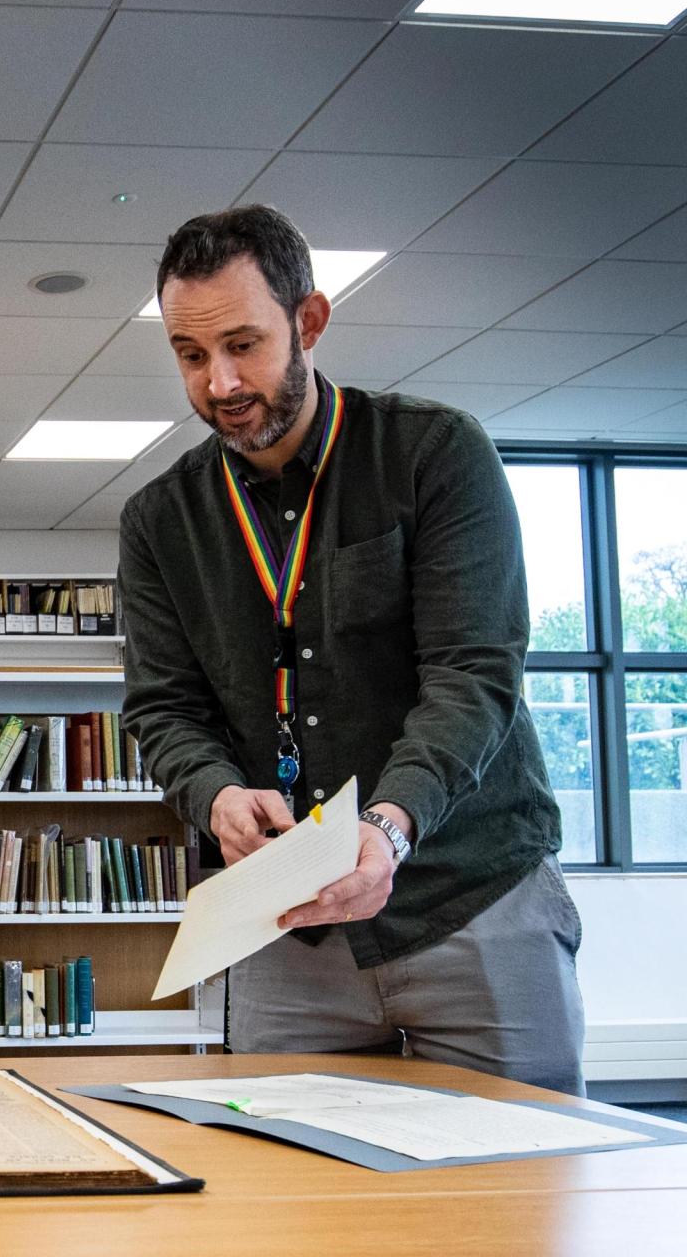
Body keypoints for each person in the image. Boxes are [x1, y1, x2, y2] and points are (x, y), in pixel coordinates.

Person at [117, 204, 586, 1094]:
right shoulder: (159, 522)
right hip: (288, 930)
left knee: (520, 1201)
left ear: (310, 321)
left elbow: (472, 675)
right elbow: (164, 708)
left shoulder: (434, 454)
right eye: (190, 355)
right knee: (296, 1214)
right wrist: (215, 795)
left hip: (470, 897)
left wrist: (388, 829)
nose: (219, 383)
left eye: (243, 345)